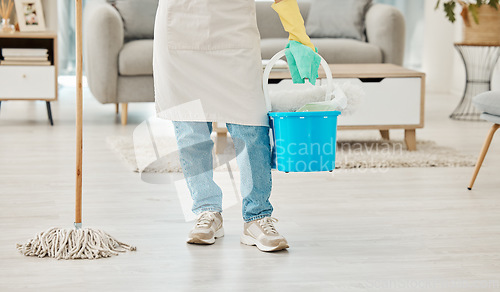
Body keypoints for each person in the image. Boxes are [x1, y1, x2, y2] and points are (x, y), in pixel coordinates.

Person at [153, 0, 319, 252]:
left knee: (251, 127)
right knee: (191, 131)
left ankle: (257, 216)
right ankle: (207, 211)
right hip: (180, 27)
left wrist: (298, 33)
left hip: (235, 32)